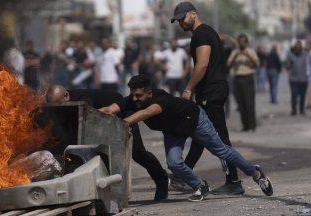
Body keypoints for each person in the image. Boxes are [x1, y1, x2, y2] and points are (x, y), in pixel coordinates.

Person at [99, 75, 273, 201]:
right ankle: (200, 186)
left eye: (139, 96)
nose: (135, 99)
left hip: (194, 120)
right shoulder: (131, 99)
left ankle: (256, 174)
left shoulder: (159, 100)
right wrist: (90, 114)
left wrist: (120, 122)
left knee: (222, 151)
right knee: (174, 163)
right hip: (173, 130)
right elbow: (109, 109)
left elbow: (145, 113)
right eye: (133, 95)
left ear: (149, 93)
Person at [45, 84, 169, 201]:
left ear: (66, 96)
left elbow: (91, 117)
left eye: (59, 104)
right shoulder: (63, 103)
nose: (58, 109)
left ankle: (161, 179)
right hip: (101, 121)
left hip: (121, 113)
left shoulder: (81, 99)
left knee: (137, 153)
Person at [171, 1, 244, 195]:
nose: (180, 23)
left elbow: (202, 65)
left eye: (182, 19)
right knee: (200, 133)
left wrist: (188, 88)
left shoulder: (201, 34)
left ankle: (233, 181)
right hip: (212, 90)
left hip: (211, 92)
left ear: (193, 14)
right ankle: (181, 176)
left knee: (219, 139)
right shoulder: (207, 32)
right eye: (178, 21)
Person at [227, 34, 259, 132]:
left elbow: (257, 64)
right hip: (237, 78)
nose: (241, 43)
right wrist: (236, 56)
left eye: (243, 41)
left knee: (249, 103)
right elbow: (228, 65)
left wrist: (248, 56)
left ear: (246, 42)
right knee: (240, 103)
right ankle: (245, 125)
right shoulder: (235, 52)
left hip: (248, 78)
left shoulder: (251, 51)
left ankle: (252, 126)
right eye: (240, 41)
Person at [286, 40, 309, 116]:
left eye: (299, 46)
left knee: (302, 95)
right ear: (294, 47)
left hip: (304, 79)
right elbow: (288, 66)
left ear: (301, 47)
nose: (298, 48)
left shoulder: (306, 55)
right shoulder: (290, 55)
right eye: (296, 46)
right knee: (294, 95)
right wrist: (289, 75)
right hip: (294, 79)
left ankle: (302, 109)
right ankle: (294, 110)